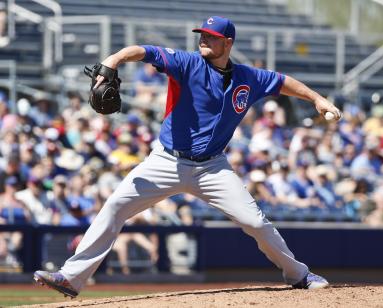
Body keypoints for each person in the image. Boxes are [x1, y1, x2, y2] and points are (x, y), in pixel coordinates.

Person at [34, 16, 342, 297]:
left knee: (257, 223)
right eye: (202, 35)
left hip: (213, 168)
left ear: (228, 43)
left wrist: (317, 98)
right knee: (115, 206)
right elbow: (143, 51)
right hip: (166, 161)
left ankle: (299, 275)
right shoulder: (186, 63)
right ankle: (71, 277)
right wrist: (112, 61)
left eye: (210, 36)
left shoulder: (248, 77)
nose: (203, 40)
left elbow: (282, 82)